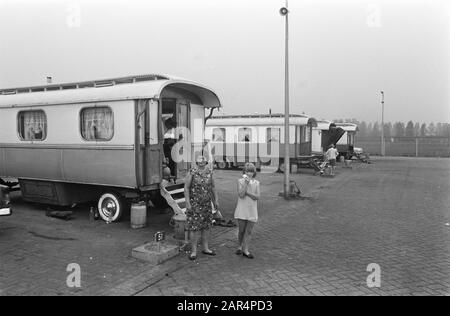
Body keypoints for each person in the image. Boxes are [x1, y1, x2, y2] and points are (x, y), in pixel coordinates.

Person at [184, 154, 219, 260]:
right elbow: (186, 188)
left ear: (206, 162)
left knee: (206, 227)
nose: (202, 161)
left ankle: (206, 248)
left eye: (203, 159)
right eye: (199, 159)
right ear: (196, 161)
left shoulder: (210, 172)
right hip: (195, 205)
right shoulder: (192, 172)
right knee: (194, 228)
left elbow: (213, 187)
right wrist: (188, 203)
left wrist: (216, 200)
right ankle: (193, 251)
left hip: (207, 204)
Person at [234, 163, 260, 259]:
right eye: (247, 171)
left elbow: (257, 197)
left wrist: (247, 192)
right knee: (241, 231)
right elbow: (240, 194)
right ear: (244, 172)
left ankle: (246, 250)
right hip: (242, 209)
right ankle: (239, 246)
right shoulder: (240, 181)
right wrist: (246, 183)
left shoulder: (257, 183)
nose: (249, 173)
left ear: (254, 172)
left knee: (248, 231)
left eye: (251, 171)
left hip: (252, 210)